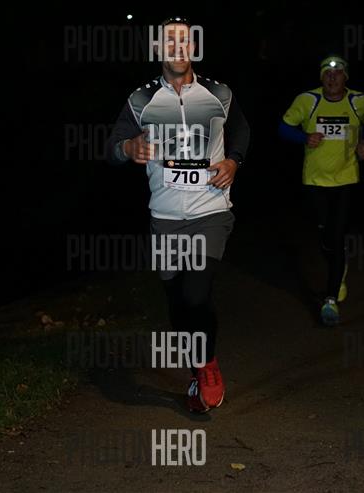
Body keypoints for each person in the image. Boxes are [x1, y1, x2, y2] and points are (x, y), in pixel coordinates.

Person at [105, 16, 249, 413]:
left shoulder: (218, 92)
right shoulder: (140, 99)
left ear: (194, 48)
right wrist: (128, 148)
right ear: (158, 49)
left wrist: (234, 160)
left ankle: (207, 367)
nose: (177, 47)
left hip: (210, 210)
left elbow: (241, 130)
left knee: (196, 294)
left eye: (184, 40)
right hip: (165, 218)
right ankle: (197, 371)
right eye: (169, 41)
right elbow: (113, 147)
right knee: (178, 303)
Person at [279, 55, 364, 326]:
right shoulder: (307, 100)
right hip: (315, 181)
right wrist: (304, 137)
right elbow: (283, 127)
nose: (332, 77)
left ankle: (330, 299)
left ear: (346, 77)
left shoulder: (359, 101)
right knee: (326, 238)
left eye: (338, 73)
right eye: (327, 73)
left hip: (346, 178)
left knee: (338, 233)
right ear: (321, 78)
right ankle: (338, 262)